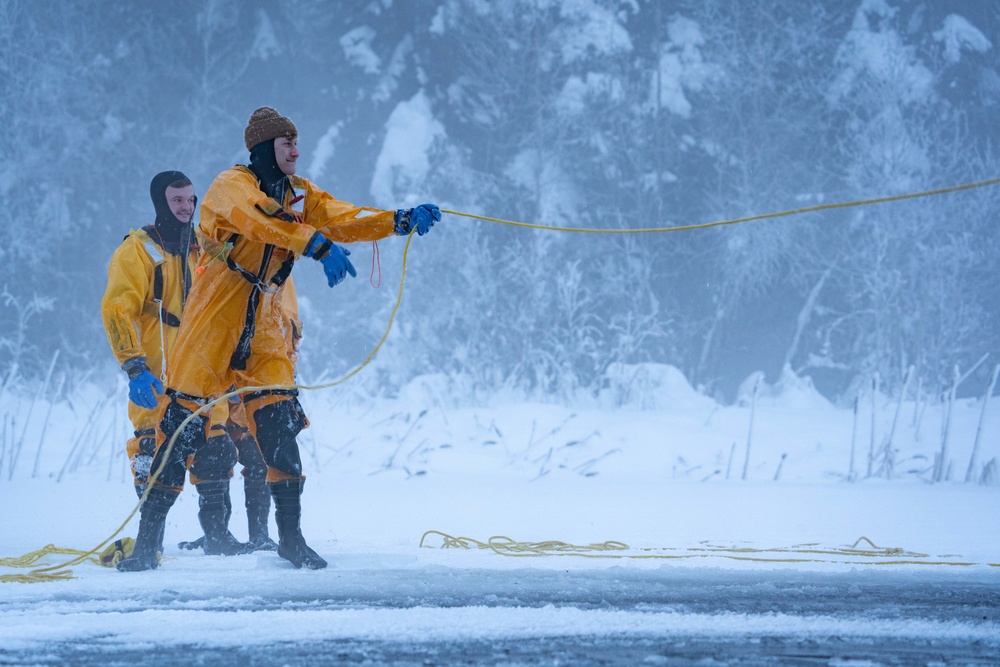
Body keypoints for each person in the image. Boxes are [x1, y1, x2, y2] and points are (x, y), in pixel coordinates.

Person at [117, 106, 440, 572]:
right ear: (265, 147)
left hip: (265, 320)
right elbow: (260, 220)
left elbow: (343, 216)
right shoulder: (232, 186)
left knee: (280, 426)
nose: (296, 151)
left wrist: (399, 220)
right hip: (214, 318)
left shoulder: (301, 194)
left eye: (296, 143)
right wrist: (317, 246)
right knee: (181, 430)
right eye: (287, 143)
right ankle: (148, 544)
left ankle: (291, 538)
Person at [101, 171, 277, 560]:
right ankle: (149, 546)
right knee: (153, 453)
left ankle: (218, 537)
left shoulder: (206, 246)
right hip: (157, 378)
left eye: (191, 200)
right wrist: (133, 365)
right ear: (161, 202)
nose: (186, 207)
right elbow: (117, 309)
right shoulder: (138, 251)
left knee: (215, 452)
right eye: (177, 200)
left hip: (204, 373)